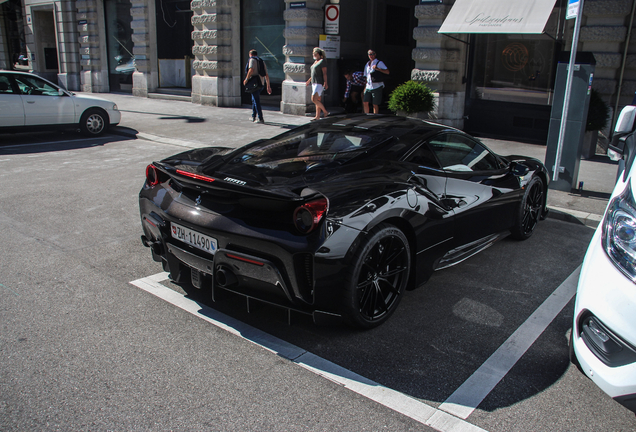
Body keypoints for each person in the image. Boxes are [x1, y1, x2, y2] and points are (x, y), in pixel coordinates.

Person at [243, 49, 271, 124]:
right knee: (254, 99)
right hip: (261, 83)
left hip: (254, 83)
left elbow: (251, 70)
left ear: (250, 54)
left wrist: (246, 79)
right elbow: (266, 74)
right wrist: (268, 86)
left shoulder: (252, 60)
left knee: (256, 101)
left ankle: (260, 118)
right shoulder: (261, 61)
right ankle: (253, 116)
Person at [363, 50, 389, 114]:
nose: (371, 56)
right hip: (368, 86)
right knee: (365, 102)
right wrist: (365, 87)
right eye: (369, 54)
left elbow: (387, 72)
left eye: (372, 54)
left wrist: (377, 69)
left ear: (375, 54)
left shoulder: (379, 63)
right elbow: (366, 76)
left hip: (377, 85)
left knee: (375, 104)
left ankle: (375, 116)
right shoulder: (367, 64)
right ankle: (367, 115)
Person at [306, 47, 329, 121]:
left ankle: (325, 112)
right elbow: (313, 74)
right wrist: (309, 80)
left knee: (314, 99)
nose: (313, 55)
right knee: (318, 100)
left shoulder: (322, 61)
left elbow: (324, 73)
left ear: (318, 54)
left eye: (314, 54)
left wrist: (325, 82)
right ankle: (317, 116)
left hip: (319, 83)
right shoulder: (315, 62)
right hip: (314, 83)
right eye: (313, 54)